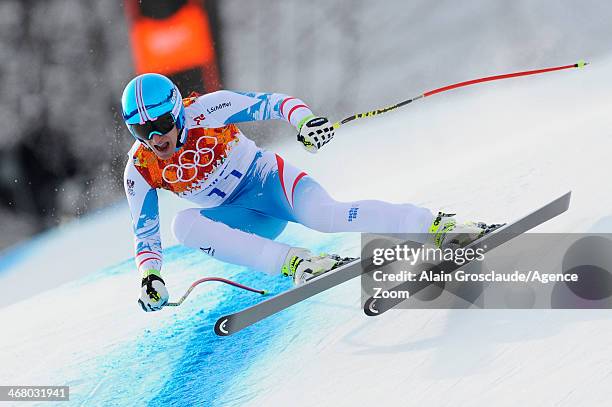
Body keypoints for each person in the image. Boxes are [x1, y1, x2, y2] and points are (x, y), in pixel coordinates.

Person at [121, 73, 492, 312]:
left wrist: (304, 121)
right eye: (142, 131)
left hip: (267, 182)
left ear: (177, 112)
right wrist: (150, 275)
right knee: (183, 226)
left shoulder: (207, 110)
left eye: (163, 124)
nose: (156, 138)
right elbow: (144, 232)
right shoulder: (139, 169)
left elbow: (275, 102)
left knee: (325, 217)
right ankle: (298, 263)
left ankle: (437, 225)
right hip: (241, 218)